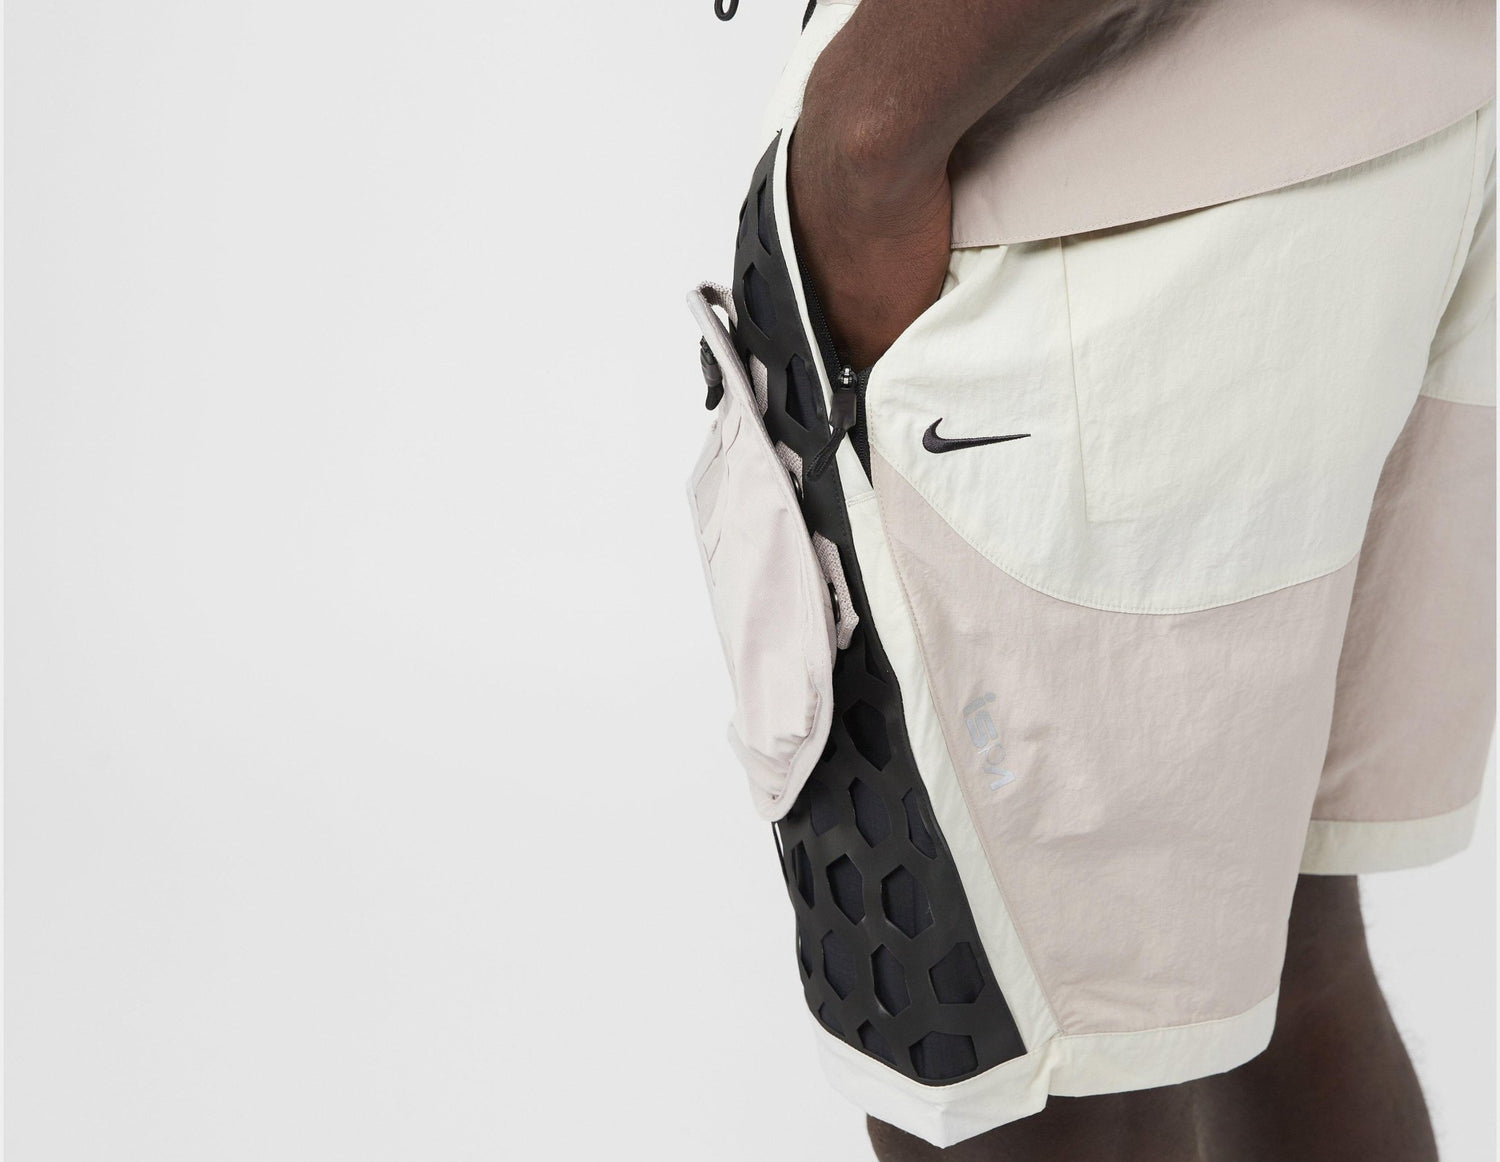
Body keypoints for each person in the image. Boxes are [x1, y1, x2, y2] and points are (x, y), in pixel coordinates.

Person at [703, 0, 1495, 1157]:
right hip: (1409, 126)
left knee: (1031, 1073)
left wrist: (867, 135)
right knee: (1279, 954)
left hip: (1084, 178)